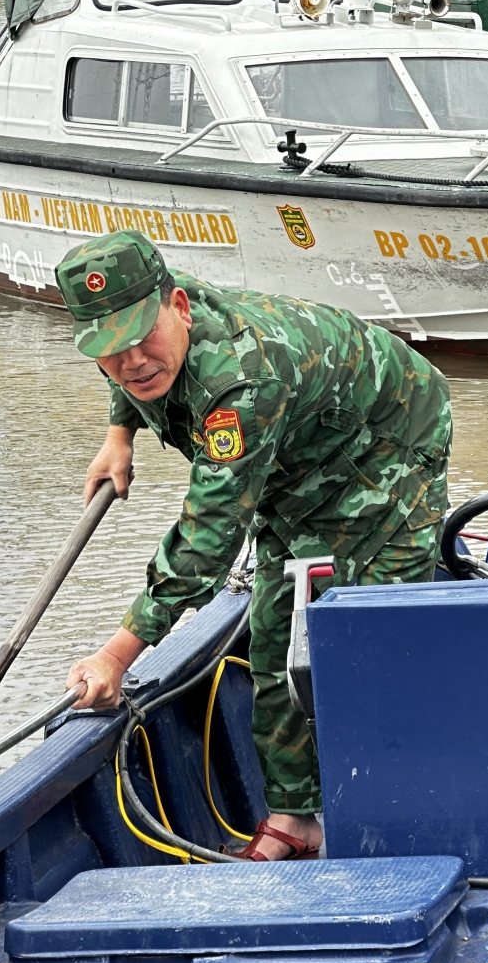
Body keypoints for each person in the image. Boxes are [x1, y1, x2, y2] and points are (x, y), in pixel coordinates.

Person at [60, 229, 452, 862]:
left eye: (142, 338)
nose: (131, 361)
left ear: (179, 307)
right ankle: (298, 822)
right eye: (109, 350)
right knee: (275, 645)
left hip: (389, 439)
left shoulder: (240, 384)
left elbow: (207, 541)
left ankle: (400, 814)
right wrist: (120, 435)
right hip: (298, 460)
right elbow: (129, 366)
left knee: (372, 641)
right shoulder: (146, 335)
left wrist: (116, 654)